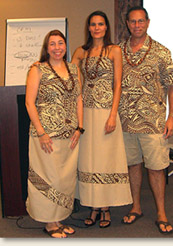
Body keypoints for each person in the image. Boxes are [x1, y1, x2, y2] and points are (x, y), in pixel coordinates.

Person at [118, 6, 173, 234]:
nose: (137, 25)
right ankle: (136, 207)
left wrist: (171, 117)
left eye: (141, 21)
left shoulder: (161, 52)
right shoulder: (118, 51)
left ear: (148, 22)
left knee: (156, 168)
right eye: (133, 22)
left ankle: (161, 212)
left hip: (153, 122)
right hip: (125, 122)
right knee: (133, 165)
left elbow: (172, 87)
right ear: (127, 23)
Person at [71, 10, 132, 228]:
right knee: (89, 159)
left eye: (101, 24)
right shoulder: (81, 52)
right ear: (89, 28)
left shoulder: (114, 50)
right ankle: (93, 205)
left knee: (106, 158)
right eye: (93, 24)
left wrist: (113, 114)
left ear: (106, 27)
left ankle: (105, 207)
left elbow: (118, 84)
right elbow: (71, 78)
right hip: (86, 112)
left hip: (107, 112)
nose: (97, 28)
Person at [25, 30, 83, 238]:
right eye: (52, 44)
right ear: (46, 48)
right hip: (45, 135)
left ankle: (58, 218)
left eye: (61, 43)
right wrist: (41, 133)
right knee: (49, 178)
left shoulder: (74, 69)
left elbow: (78, 99)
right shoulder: (37, 69)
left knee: (65, 179)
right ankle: (49, 222)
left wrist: (80, 128)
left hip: (70, 135)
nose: (57, 47)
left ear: (66, 46)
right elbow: (29, 103)